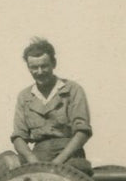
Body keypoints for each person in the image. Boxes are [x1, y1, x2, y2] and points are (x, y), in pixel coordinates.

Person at [11, 37, 93, 166]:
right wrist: (32, 160)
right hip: (37, 157)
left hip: (70, 156)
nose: (39, 72)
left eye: (44, 66)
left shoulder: (72, 90)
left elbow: (82, 131)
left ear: (54, 64)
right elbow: (18, 137)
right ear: (28, 68)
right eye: (34, 67)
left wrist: (57, 162)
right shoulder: (24, 96)